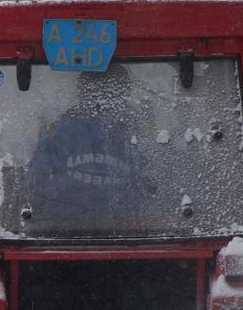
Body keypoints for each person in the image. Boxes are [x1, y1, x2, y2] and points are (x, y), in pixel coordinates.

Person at [25, 62, 156, 229]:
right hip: (68, 232)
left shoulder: (138, 133)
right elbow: (37, 181)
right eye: (99, 92)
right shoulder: (61, 133)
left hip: (123, 229)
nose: (103, 102)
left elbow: (35, 181)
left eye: (111, 93)